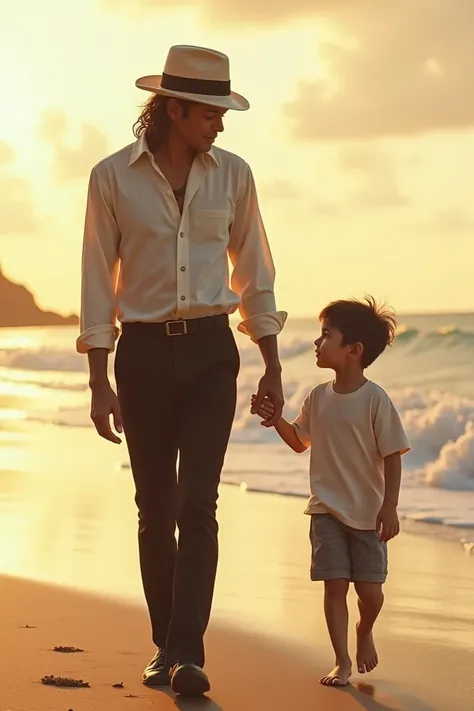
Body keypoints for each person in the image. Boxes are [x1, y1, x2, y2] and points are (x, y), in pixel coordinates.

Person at [76, 44, 286, 697]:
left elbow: (255, 275)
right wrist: (98, 380)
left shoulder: (234, 176)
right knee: (154, 505)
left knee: (198, 501)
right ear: (173, 109)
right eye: (209, 113)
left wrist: (272, 365)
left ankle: (185, 651)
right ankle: (166, 641)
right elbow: (95, 281)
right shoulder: (112, 178)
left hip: (209, 353)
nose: (220, 123)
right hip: (141, 355)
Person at [252, 296, 410, 687]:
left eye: (326, 335)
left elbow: (393, 455)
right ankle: (341, 661)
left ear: (354, 351)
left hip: (368, 513)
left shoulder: (376, 400)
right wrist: (275, 422)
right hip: (325, 509)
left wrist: (390, 507)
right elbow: (299, 440)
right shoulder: (318, 397)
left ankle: (365, 629)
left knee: (370, 595)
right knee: (334, 585)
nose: (317, 343)